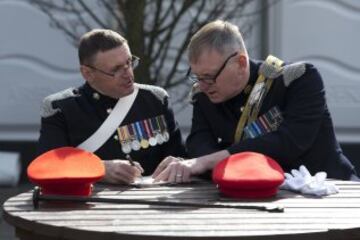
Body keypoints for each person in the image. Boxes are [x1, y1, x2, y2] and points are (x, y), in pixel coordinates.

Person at [153, 20, 359, 183]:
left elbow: (290, 142)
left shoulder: (297, 79)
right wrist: (192, 164)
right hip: (255, 197)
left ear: (241, 63)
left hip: (328, 191)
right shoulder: (203, 95)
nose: (203, 85)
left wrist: (206, 162)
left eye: (209, 76)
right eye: (197, 76)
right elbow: (199, 145)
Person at [38, 29, 186, 184]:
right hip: (88, 204)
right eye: (115, 70)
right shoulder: (61, 109)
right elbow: (47, 166)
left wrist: (178, 164)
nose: (128, 73)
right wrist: (99, 169)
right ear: (88, 73)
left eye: (129, 62)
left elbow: (180, 156)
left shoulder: (155, 100)